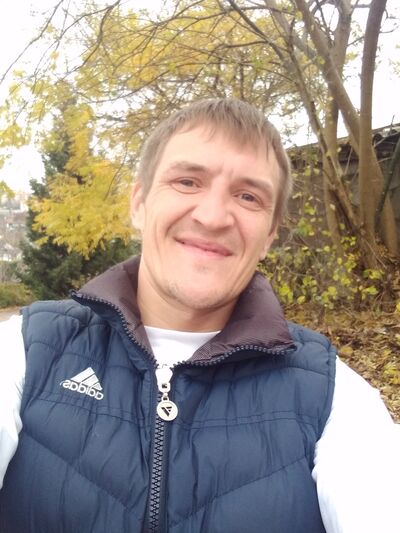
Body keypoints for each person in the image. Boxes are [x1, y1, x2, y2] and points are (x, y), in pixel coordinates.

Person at [0, 98, 398, 533]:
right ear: (139, 202)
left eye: (248, 196)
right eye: (187, 181)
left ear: (270, 234)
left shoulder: (332, 396)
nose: (212, 217)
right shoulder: (27, 351)